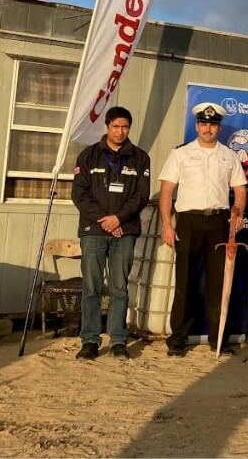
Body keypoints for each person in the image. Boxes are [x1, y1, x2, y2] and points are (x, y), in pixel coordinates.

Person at [159, 102, 247, 356]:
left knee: (219, 282)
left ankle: (218, 337)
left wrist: (238, 210)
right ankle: (178, 338)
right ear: (197, 125)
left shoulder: (229, 156)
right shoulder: (181, 154)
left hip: (219, 223)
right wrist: (167, 223)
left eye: (213, 124)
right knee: (185, 281)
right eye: (203, 123)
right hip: (189, 222)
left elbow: (240, 190)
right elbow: (167, 190)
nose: (208, 128)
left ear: (218, 127)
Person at [72, 106, 150, 361]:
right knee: (92, 287)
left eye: (125, 127)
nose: (120, 131)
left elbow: (141, 196)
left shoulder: (140, 157)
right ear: (107, 127)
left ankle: (118, 340)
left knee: (119, 287)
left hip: (124, 231)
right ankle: (90, 341)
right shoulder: (88, 156)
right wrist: (104, 220)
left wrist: (118, 218)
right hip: (93, 230)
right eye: (116, 126)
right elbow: (79, 194)